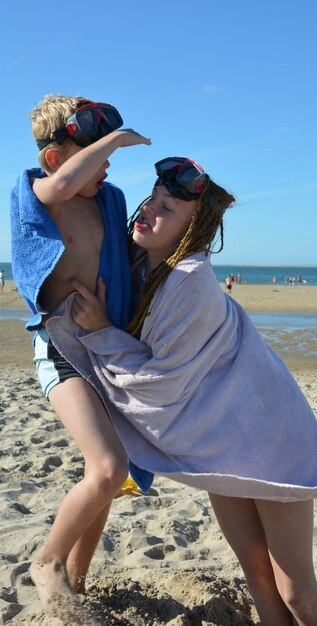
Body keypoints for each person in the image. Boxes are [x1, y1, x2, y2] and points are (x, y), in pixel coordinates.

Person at [47, 157, 317, 625]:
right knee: (257, 579)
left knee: (297, 591)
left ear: (190, 230)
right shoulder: (138, 265)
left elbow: (159, 388)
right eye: (152, 200)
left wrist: (100, 332)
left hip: (272, 440)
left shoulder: (190, 279)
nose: (147, 211)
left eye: (166, 209)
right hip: (221, 444)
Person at [10, 94, 152, 618]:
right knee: (109, 466)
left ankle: (79, 578)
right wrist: (117, 136)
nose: (108, 164)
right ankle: (47, 563)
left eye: (108, 154)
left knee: (108, 479)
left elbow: (140, 254)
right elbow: (67, 183)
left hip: (103, 347)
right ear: (55, 158)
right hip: (61, 348)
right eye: (94, 153)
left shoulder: (108, 200)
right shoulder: (39, 193)